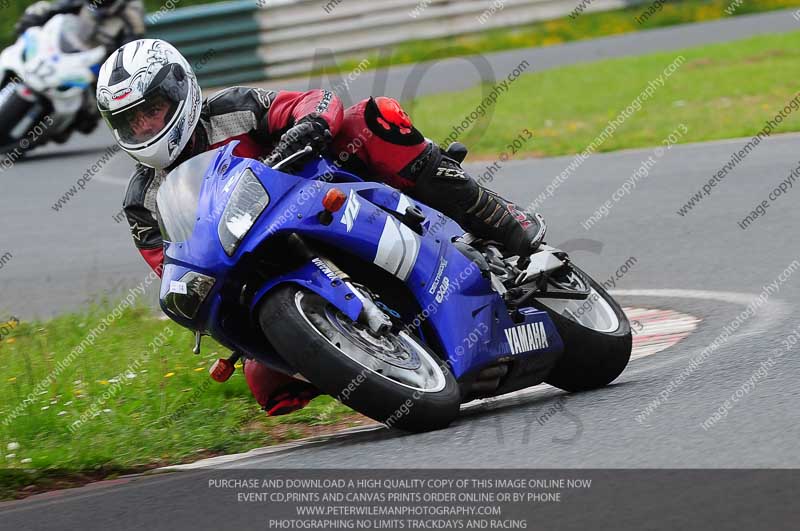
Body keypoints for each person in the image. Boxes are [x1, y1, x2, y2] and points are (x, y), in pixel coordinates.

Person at [98, 39, 543, 417]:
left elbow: (316, 101)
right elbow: (172, 265)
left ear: (181, 92)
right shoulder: (141, 201)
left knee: (370, 120)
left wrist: (307, 127)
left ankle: (496, 216)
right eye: (130, 121)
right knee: (267, 387)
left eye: (152, 110)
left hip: (321, 195)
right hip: (252, 263)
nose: (144, 127)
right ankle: (397, 364)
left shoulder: (234, 109)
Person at [15, 0, 145, 136]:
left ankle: (61, 125)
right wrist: (36, 17)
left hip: (98, 63)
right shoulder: (88, 4)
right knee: (37, 11)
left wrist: (114, 60)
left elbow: (132, 45)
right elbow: (59, 8)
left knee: (89, 117)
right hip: (67, 51)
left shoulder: (132, 8)